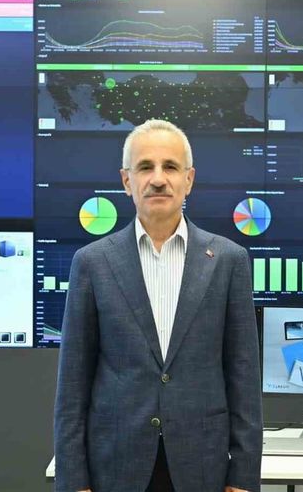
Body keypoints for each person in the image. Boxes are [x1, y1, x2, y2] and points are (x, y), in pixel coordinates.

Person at [54, 119, 262, 492]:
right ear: (126, 181)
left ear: (189, 179)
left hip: (202, 467)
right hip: (116, 467)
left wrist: (244, 478)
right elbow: (72, 386)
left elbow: (243, 379)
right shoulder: (92, 263)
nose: (158, 179)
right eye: (145, 167)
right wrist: (73, 482)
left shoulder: (228, 260)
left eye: (170, 167)